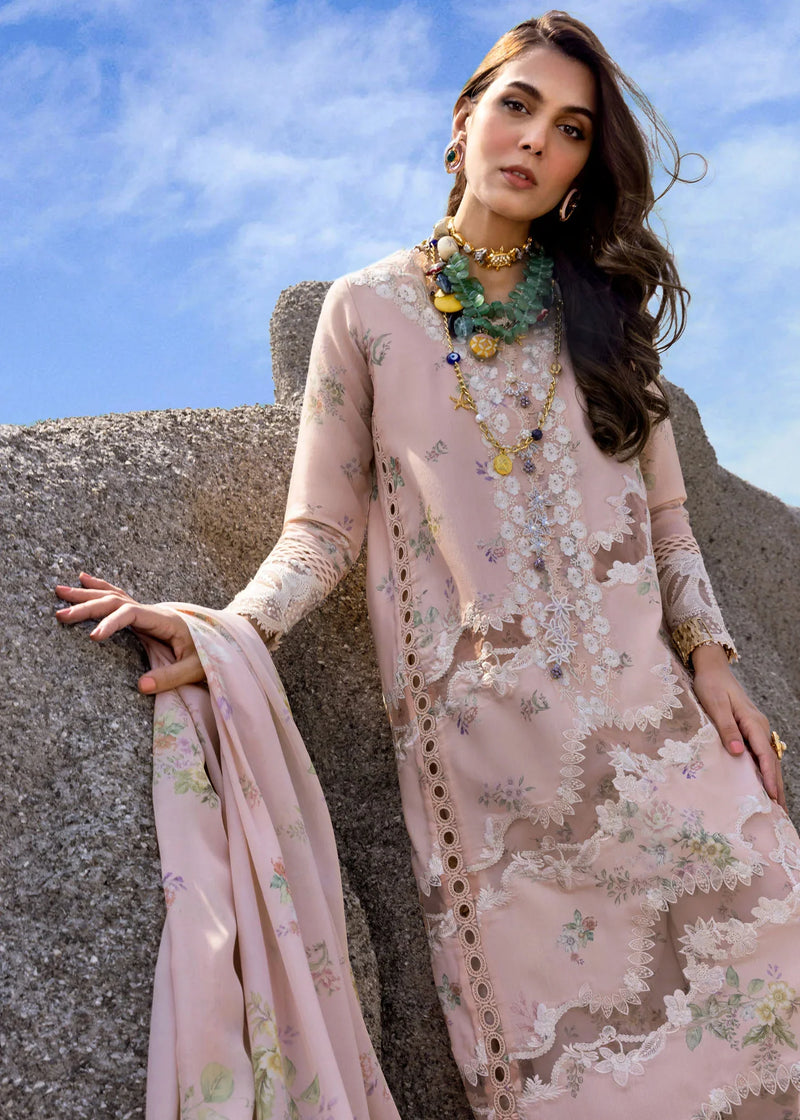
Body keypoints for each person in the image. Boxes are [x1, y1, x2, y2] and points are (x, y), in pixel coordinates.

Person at [56, 11, 800, 1119]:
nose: (535, 140)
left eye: (571, 130)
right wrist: (227, 628)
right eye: (517, 106)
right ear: (463, 120)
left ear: (582, 168)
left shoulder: (608, 321)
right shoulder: (367, 310)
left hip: (661, 746)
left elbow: (669, 525)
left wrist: (713, 660)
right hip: (496, 770)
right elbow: (322, 529)